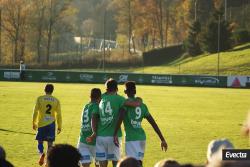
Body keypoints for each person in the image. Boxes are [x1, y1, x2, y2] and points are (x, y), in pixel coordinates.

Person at [114, 81, 168, 166]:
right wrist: (162, 139)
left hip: (132, 139)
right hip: (142, 138)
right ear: (135, 91)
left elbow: (120, 118)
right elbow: (153, 123)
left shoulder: (125, 104)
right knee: (139, 162)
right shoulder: (142, 105)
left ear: (125, 92)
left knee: (132, 164)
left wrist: (115, 133)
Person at [32, 84, 62, 166]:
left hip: (41, 123)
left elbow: (35, 111)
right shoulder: (56, 100)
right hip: (51, 124)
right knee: (50, 144)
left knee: (40, 141)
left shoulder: (40, 99)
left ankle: (41, 153)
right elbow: (58, 114)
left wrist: (33, 122)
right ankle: (47, 162)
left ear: (44, 90)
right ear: (52, 91)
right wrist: (59, 126)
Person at [77, 88, 101, 167]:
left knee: (85, 164)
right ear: (99, 98)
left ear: (90, 96)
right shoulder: (96, 106)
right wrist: (94, 132)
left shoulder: (86, 106)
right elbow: (93, 117)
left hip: (83, 140)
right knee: (99, 163)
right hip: (94, 141)